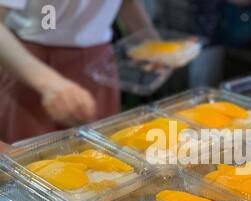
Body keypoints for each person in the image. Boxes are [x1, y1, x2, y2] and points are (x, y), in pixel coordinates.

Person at [0, 0, 158, 144]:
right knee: (31, 161)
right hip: (29, 64)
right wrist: (48, 83)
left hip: (99, 62)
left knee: (102, 155)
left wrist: (154, 45)